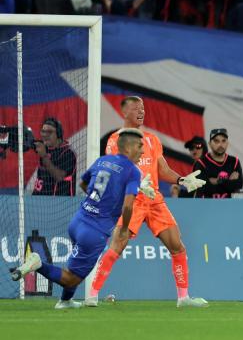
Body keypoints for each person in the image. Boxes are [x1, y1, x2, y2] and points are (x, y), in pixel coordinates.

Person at [10, 128, 155, 309]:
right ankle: (38, 263)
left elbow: (83, 183)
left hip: (78, 221)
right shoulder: (133, 171)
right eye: (140, 146)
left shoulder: (103, 160)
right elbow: (127, 205)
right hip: (95, 232)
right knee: (71, 279)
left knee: (76, 268)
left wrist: (99, 201)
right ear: (128, 147)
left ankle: (65, 301)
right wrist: (124, 229)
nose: (142, 151)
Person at [87, 96, 208, 308]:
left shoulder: (152, 139)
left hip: (154, 201)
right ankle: (92, 295)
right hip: (130, 201)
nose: (141, 112)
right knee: (116, 246)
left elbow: (162, 169)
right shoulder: (115, 140)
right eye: (136, 108)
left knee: (177, 246)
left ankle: (183, 298)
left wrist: (182, 179)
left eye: (143, 108)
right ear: (124, 112)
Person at [190, 129, 243, 199]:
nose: (220, 144)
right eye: (216, 141)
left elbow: (239, 184)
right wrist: (229, 181)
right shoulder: (201, 163)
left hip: (229, 207)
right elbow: (205, 189)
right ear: (209, 144)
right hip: (206, 206)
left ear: (227, 143)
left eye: (223, 141)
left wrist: (216, 181)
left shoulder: (234, 162)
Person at [32, 117, 77, 196]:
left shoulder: (68, 153)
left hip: (60, 203)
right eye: (43, 131)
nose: (45, 135)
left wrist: (44, 156)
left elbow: (59, 177)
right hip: (38, 200)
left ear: (58, 134)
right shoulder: (45, 148)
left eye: (49, 132)